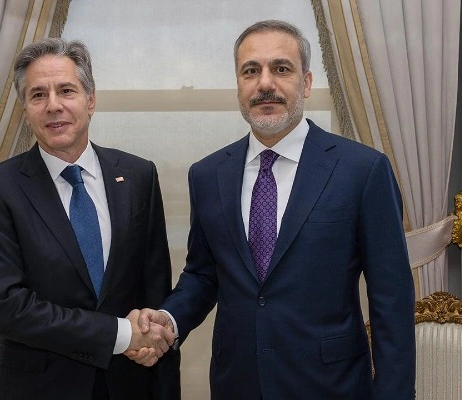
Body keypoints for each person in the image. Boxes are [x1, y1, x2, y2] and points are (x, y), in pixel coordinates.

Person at [130, 20, 416, 399]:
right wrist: (168, 319)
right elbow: (203, 274)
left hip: (332, 386)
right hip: (237, 384)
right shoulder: (207, 175)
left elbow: (391, 300)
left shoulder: (363, 170)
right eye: (251, 71)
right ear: (238, 85)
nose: (265, 83)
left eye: (281, 68)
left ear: (306, 83)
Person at [0, 38, 179, 400]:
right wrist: (121, 334)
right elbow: (7, 308)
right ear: (25, 109)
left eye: (66, 90)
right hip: (35, 388)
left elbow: (154, 285)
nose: (53, 105)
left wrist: (152, 337)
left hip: (130, 382)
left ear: (90, 99)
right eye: (38, 95)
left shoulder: (138, 175)